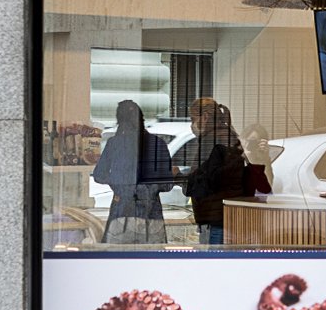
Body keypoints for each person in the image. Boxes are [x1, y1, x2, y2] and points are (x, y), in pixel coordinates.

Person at [91, 100, 173, 244]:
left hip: (121, 212)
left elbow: (99, 175)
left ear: (119, 120)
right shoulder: (158, 143)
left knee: (117, 261)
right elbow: (167, 185)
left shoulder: (115, 143)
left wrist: (119, 184)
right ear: (142, 119)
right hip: (152, 215)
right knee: (153, 261)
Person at [176, 98, 249, 245]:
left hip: (215, 216)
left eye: (193, 118)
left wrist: (178, 176)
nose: (192, 124)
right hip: (225, 214)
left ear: (205, 117)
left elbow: (203, 181)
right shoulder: (228, 135)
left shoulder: (212, 140)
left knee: (214, 261)